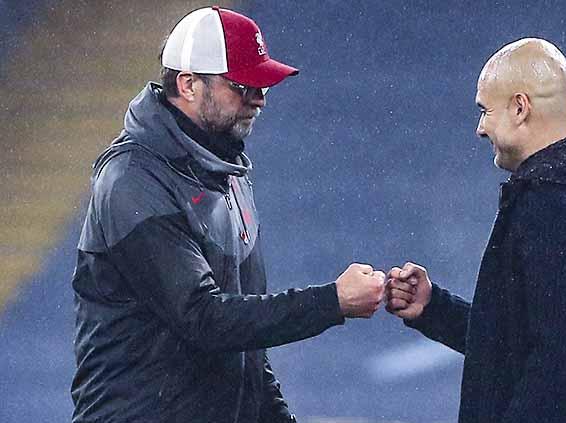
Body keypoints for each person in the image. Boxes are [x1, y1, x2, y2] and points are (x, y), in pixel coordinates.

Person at [71, 7, 384, 423]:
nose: (258, 100)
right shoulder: (133, 179)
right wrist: (332, 303)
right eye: (242, 86)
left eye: (263, 87)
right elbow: (204, 318)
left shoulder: (226, 171)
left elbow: (245, 345)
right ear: (188, 84)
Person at [386, 38, 566, 422]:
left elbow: (563, 364)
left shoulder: (554, 207)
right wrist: (434, 309)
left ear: (520, 108)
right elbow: (524, 345)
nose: (480, 129)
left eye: (485, 111)